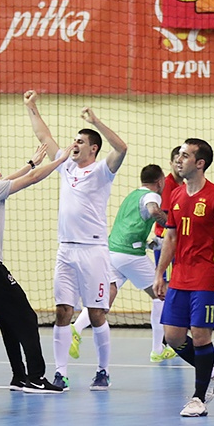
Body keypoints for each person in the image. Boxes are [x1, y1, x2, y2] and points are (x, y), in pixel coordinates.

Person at [24, 90, 128, 391]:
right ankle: (60, 373)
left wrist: (96, 120)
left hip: (93, 251)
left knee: (96, 313)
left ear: (93, 148)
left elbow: (122, 147)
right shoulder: (66, 166)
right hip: (65, 250)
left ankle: (103, 371)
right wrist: (32, 108)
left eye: (80, 141)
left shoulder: (102, 171)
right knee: (62, 311)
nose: (74, 144)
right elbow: (44, 135)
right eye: (74, 140)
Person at [0, 144, 72, 394]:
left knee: (8, 322)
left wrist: (31, 162)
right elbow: (33, 179)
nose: (1, 174)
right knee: (28, 317)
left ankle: (19, 376)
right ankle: (36, 378)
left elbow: (11, 178)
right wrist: (60, 159)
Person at [153, 138, 214, 418]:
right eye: (178, 154)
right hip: (179, 278)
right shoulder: (175, 195)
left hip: (207, 278)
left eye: (185, 155)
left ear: (200, 164)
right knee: (173, 338)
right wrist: (160, 274)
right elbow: (171, 238)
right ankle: (211, 372)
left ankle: (198, 398)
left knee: (201, 336)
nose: (179, 159)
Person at [69, 164, 176, 363]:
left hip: (112, 251)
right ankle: (158, 349)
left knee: (106, 298)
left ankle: (76, 328)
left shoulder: (132, 196)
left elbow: (129, 225)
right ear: (160, 181)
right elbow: (153, 211)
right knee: (161, 295)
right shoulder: (153, 196)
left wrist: (148, 242)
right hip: (130, 254)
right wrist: (173, 225)